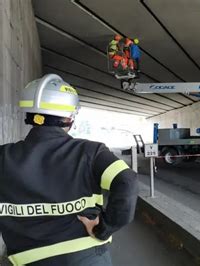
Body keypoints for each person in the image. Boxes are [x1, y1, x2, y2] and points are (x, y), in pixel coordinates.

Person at [0, 74, 138, 265]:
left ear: (29, 114)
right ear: (69, 118)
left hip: (27, 259)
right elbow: (126, 180)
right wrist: (104, 228)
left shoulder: (3, 157)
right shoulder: (91, 152)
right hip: (85, 256)